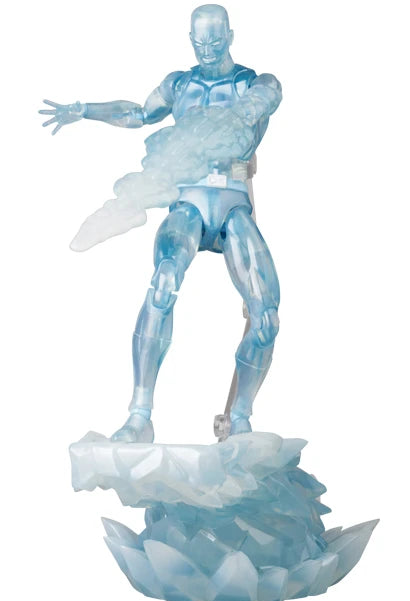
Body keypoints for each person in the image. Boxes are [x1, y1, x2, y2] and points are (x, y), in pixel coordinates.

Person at [40, 4, 282, 442]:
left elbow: (260, 103)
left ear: (230, 36)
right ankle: (139, 415)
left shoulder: (253, 82)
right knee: (163, 283)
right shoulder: (179, 84)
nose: (207, 49)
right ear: (190, 39)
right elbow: (138, 113)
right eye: (199, 41)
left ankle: (240, 420)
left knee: (266, 317)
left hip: (232, 202)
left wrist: (230, 130)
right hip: (186, 201)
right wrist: (86, 109)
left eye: (215, 40)